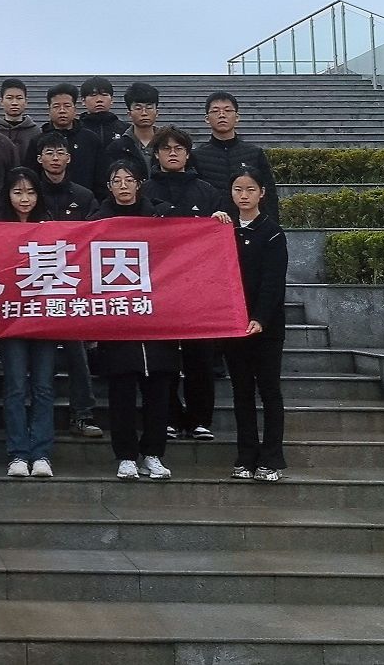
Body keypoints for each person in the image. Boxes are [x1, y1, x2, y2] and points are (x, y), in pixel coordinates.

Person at [91, 160, 179, 481]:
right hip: (117, 321)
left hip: (158, 318)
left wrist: (218, 220)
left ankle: (153, 454)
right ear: (109, 186)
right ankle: (126, 456)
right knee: (122, 394)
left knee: (159, 393)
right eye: (117, 180)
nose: (123, 186)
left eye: (129, 180)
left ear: (139, 184)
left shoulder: (161, 216)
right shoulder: (96, 222)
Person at [145, 127, 229, 441]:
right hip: (158, 287)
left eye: (178, 148)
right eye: (166, 148)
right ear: (156, 154)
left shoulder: (206, 191)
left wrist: (219, 222)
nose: (172, 153)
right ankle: (167, 416)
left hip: (199, 289)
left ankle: (199, 419)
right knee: (162, 356)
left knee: (200, 356)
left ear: (187, 153)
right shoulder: (145, 191)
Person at [34, 131, 103, 439]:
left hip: (72, 286)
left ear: (69, 157)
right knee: (38, 356)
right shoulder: (29, 192)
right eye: (49, 152)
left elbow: (96, 236)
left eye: (60, 152)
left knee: (77, 353)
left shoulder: (84, 196)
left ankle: (83, 414)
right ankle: (37, 417)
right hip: (34, 285)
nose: (55, 158)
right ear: (39, 159)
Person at [0, 169, 60, 477]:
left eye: (31, 192)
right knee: (16, 387)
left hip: (45, 318)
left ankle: (42, 453)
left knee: (44, 387)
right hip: (11, 320)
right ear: (7, 195)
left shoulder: (51, 227)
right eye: (18, 192)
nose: (25, 199)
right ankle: (18, 453)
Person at [226, 169, 289, 482]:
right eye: (238, 189)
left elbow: (273, 282)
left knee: (269, 391)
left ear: (262, 193)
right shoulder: (225, 230)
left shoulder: (272, 232)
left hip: (267, 327)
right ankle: (246, 455)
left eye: (250, 189)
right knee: (241, 392)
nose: (244, 195)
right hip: (234, 325)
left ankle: (271, 458)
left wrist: (261, 318)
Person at [195, 91, 282, 219]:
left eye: (227, 110)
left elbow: (269, 193)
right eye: (215, 111)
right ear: (207, 119)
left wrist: (271, 225)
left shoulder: (254, 153)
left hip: (249, 223)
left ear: (237, 117)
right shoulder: (197, 156)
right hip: (213, 223)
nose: (222, 115)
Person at [26, 85, 107, 193]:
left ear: (75, 109)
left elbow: (101, 178)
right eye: (56, 106)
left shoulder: (90, 139)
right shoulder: (37, 141)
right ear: (49, 110)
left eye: (67, 106)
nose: (62, 110)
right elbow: (31, 177)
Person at [110, 81, 164, 182]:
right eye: (138, 108)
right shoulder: (117, 148)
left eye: (149, 107)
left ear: (157, 112)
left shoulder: (167, 144)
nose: (144, 113)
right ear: (129, 114)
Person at [0, 78, 40, 163]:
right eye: (9, 98)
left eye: (19, 98)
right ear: (1, 101)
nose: (14, 103)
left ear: (26, 101)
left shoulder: (35, 132)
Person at [77, 77, 125, 152]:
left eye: (104, 95)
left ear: (112, 99)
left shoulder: (126, 130)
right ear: (83, 101)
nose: (99, 100)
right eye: (93, 95)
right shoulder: (75, 129)